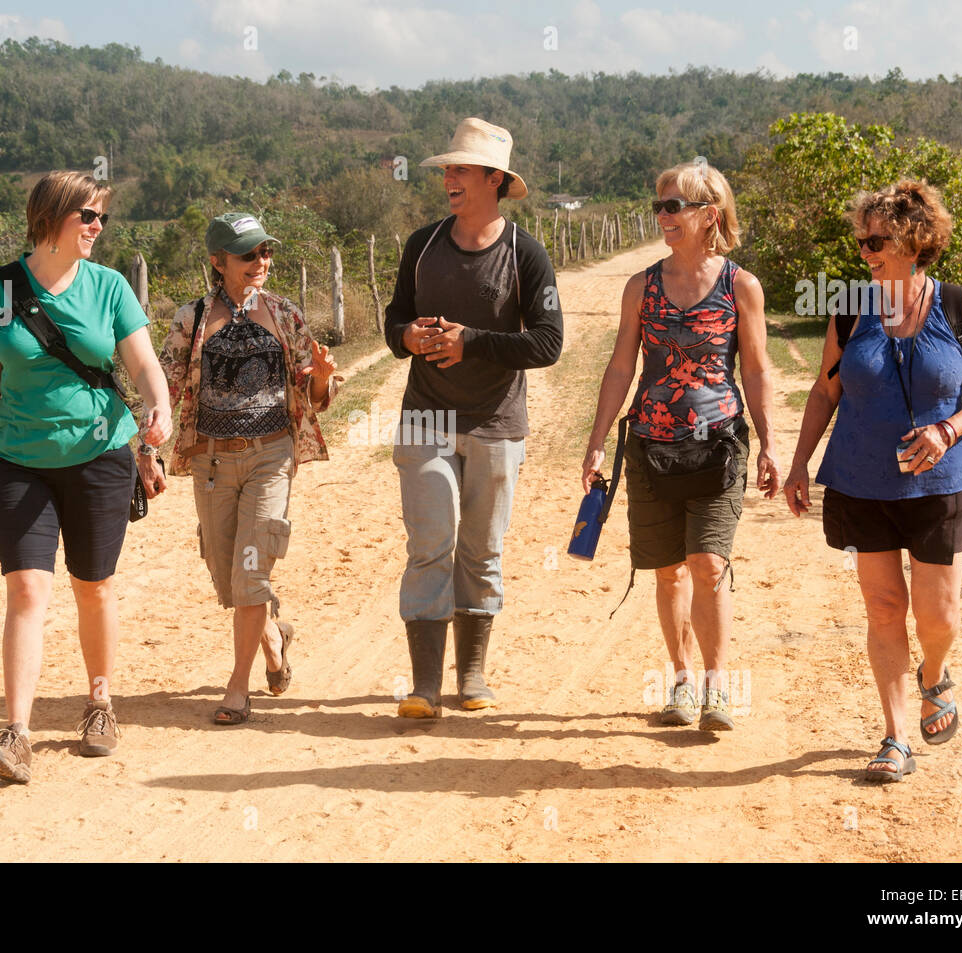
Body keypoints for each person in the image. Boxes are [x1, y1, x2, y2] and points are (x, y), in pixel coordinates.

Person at [0, 170, 172, 783]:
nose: (99, 228)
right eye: (89, 216)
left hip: (100, 456)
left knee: (92, 586)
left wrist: (162, 407)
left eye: (102, 217)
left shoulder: (109, 288)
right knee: (26, 590)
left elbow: (144, 363)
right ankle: (16, 732)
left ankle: (100, 704)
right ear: (51, 218)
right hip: (19, 461)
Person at [783, 180, 962, 782]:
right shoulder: (851, 308)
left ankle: (935, 673)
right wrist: (801, 460)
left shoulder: (960, 306)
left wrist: (948, 430)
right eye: (861, 241)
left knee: (937, 615)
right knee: (883, 606)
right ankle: (896, 736)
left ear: (914, 238)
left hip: (941, 483)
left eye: (877, 239)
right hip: (861, 480)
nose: (865, 252)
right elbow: (826, 388)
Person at [582, 160, 778, 731]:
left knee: (708, 562)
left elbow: (760, 371)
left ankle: (718, 686)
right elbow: (620, 367)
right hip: (651, 448)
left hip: (718, 446)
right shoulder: (640, 287)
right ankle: (682, 679)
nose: (662, 215)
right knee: (667, 571)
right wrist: (597, 443)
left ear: (708, 214)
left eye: (674, 206)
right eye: (659, 206)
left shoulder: (741, 286)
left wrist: (769, 444)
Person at [384, 117, 563, 718]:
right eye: (447, 170)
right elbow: (393, 325)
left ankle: (474, 677)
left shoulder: (526, 254)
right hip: (424, 419)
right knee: (430, 544)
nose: (449, 179)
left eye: (460, 169)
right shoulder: (422, 246)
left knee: (481, 551)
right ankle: (425, 687)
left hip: (495, 424)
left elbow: (547, 344)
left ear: (494, 179)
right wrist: (408, 336)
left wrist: (473, 342)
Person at [154, 212, 340, 725]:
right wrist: (143, 442)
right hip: (212, 459)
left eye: (265, 252)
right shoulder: (190, 319)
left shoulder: (285, 314)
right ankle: (274, 636)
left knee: (252, 571)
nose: (262, 262)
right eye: (249, 254)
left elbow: (314, 393)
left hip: (271, 454)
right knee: (227, 574)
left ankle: (238, 688)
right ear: (218, 262)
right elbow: (167, 384)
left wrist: (322, 378)